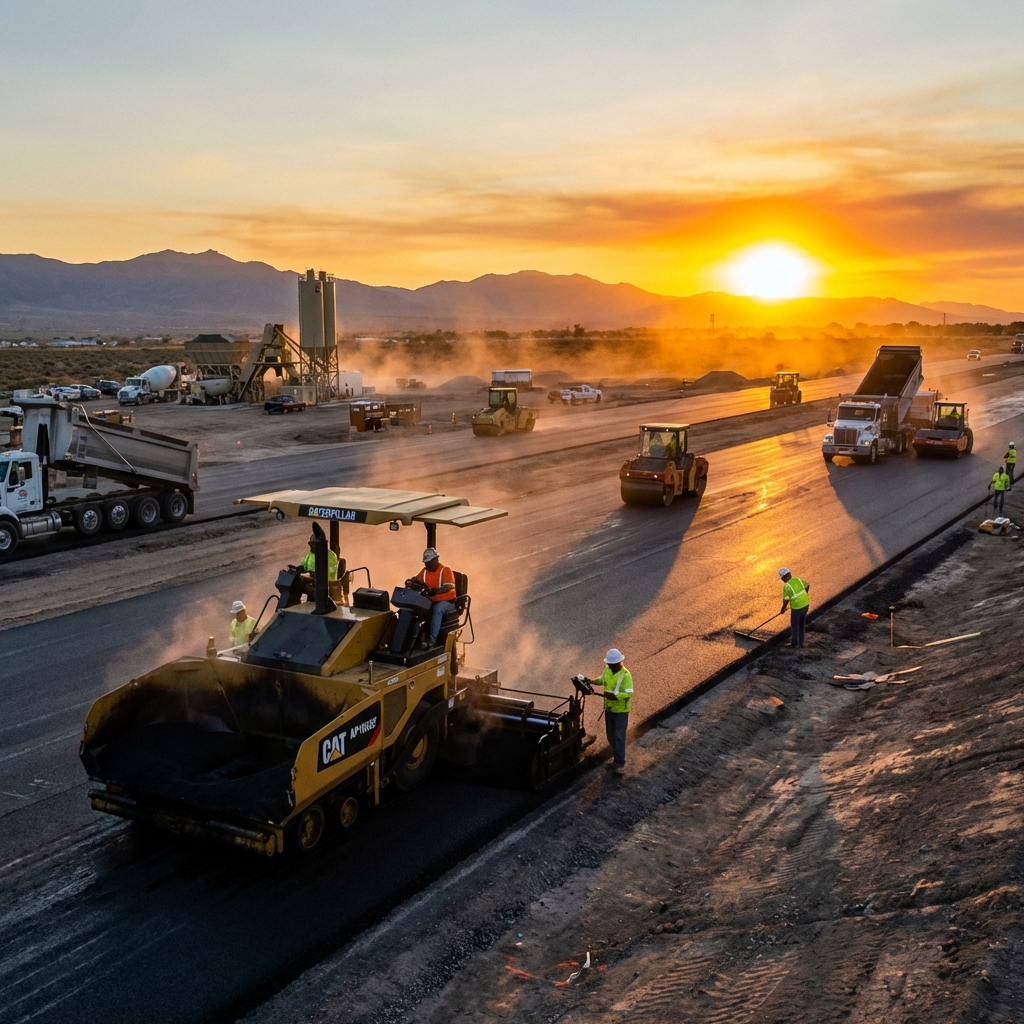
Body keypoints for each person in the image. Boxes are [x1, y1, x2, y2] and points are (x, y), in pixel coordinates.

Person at [592, 648, 632, 775]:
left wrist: (615, 696)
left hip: (621, 711)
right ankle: (616, 757)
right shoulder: (607, 671)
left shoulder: (626, 675)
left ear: (618, 663)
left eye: (612, 664)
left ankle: (619, 762)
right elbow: (602, 679)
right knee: (610, 735)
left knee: (619, 736)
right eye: (608, 664)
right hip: (609, 709)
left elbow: (629, 693)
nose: (609, 666)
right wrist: (591, 681)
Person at [414, 547, 456, 648]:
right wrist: (412, 583)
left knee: (438, 609)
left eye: (429, 562)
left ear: (436, 559)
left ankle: (432, 640)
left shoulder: (445, 570)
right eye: (425, 563)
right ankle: (414, 638)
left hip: (447, 603)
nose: (427, 565)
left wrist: (436, 591)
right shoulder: (424, 571)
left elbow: (449, 586)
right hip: (431, 602)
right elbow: (417, 580)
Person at [779, 568, 810, 648]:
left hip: (797, 608)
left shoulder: (787, 586)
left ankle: (794, 643)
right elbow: (807, 585)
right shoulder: (797, 579)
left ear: (783, 578)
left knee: (795, 625)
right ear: (790, 574)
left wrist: (783, 609)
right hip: (806, 604)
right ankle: (801, 642)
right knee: (802, 623)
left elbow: (786, 600)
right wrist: (805, 595)